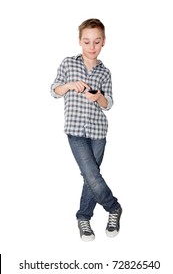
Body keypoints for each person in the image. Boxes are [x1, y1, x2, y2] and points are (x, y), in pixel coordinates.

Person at [50, 18, 122, 241]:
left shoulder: (105, 72)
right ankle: (114, 207)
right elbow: (54, 90)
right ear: (80, 41)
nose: (92, 47)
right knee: (91, 174)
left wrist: (99, 96)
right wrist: (70, 85)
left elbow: (108, 104)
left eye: (97, 42)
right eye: (87, 41)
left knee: (90, 178)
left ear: (103, 43)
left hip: (98, 132)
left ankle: (84, 216)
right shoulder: (68, 63)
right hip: (75, 131)